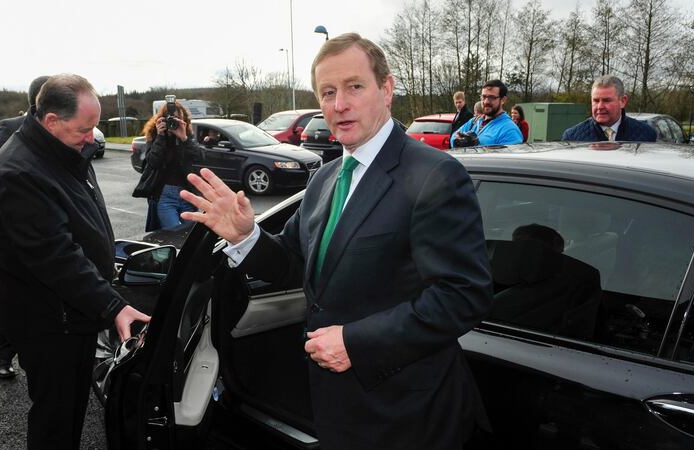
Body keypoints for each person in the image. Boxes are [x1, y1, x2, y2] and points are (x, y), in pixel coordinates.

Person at [180, 33, 492, 450]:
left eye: (354, 87)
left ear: (386, 89)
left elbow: (462, 296)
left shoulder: (435, 175)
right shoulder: (326, 177)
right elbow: (294, 261)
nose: (338, 104)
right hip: (336, 406)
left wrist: (355, 342)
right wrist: (246, 236)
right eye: (327, 92)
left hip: (406, 413)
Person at [0, 74, 151, 450]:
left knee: (72, 410)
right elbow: (56, 257)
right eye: (85, 128)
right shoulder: (19, 172)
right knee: (56, 419)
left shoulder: (62, 150)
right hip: (49, 323)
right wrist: (113, 306)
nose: (92, 137)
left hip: (72, 313)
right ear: (51, 120)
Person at [0, 75, 50, 379]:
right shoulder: (10, 126)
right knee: (10, 294)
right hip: (11, 231)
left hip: (47, 227)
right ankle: (1, 352)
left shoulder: (60, 130)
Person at [139, 102, 199, 230]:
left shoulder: (187, 136)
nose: (174, 123)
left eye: (178, 119)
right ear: (162, 120)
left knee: (189, 234)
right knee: (173, 234)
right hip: (166, 196)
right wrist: (160, 137)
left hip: (187, 194)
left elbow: (200, 158)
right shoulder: (156, 136)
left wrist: (184, 138)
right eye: (171, 119)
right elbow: (153, 162)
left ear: (184, 120)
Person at [562, 75, 656, 142]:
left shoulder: (646, 134)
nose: (600, 106)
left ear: (623, 101)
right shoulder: (572, 137)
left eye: (606, 100)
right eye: (596, 100)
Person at [453, 80, 523, 146]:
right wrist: (458, 140)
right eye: (483, 97)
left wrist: (475, 144)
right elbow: (453, 136)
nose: (486, 101)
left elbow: (506, 158)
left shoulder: (510, 130)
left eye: (491, 97)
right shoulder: (475, 121)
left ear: (503, 100)